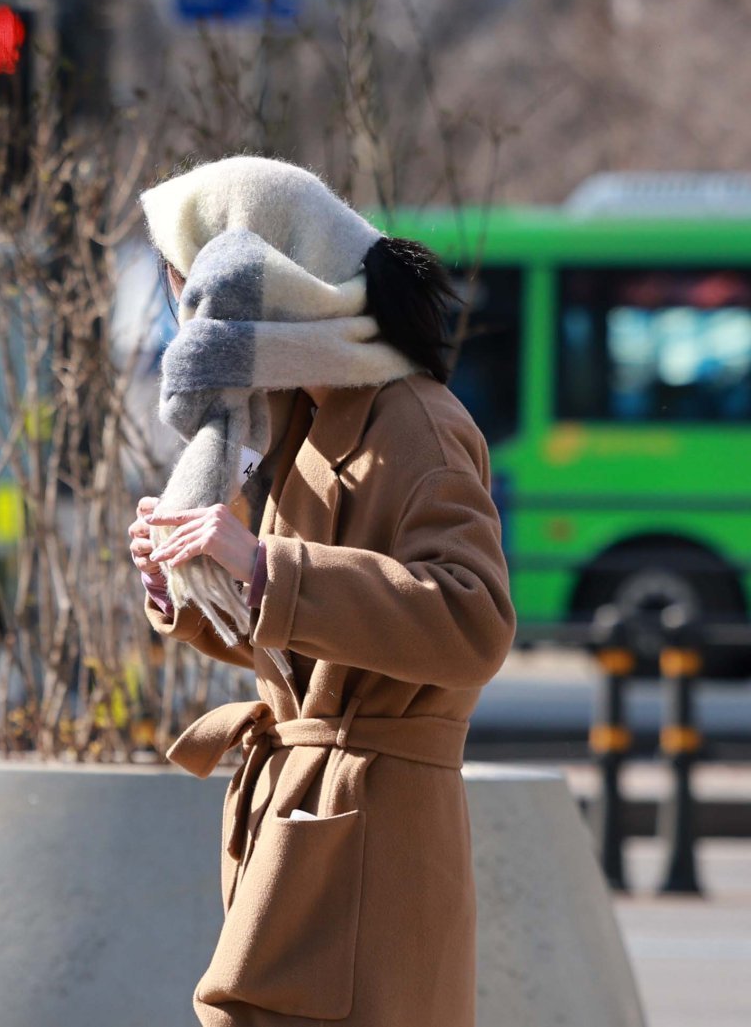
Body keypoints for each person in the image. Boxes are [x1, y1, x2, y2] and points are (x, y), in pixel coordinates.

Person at [126, 156, 515, 1027]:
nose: (187, 316)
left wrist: (264, 567)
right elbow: (308, 647)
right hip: (319, 810)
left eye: (193, 288)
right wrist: (190, 585)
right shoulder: (300, 419)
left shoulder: (414, 421)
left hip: (373, 831)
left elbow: (474, 620)